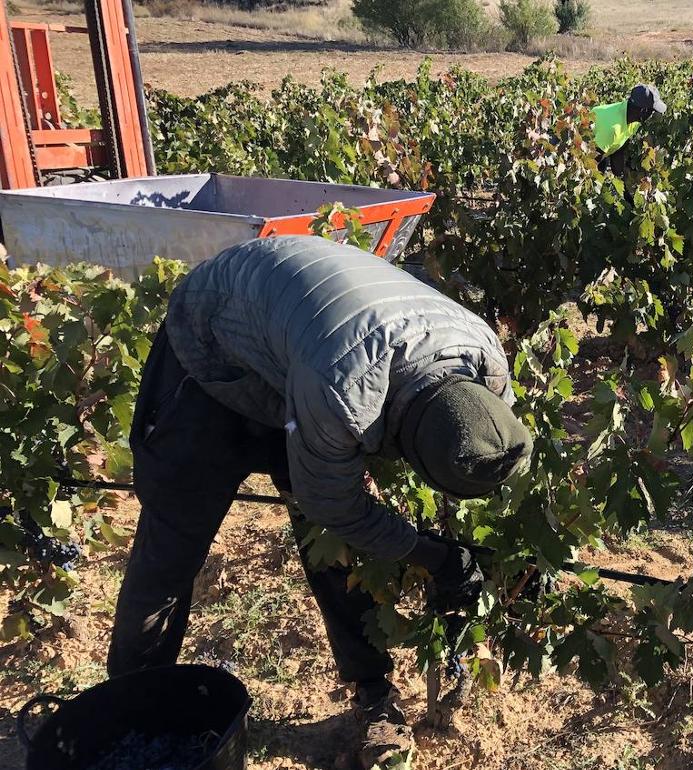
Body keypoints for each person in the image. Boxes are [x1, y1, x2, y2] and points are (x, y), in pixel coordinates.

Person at [107, 236, 532, 766]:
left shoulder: (486, 363)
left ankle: (374, 695)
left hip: (300, 352)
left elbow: (485, 442)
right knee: (171, 548)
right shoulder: (344, 394)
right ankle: (129, 717)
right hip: (211, 349)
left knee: (334, 552)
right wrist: (432, 555)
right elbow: (336, 504)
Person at [591, 83, 666, 176]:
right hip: (584, 153)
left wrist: (621, 178)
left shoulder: (632, 119)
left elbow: (618, 150)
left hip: (603, 148)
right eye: (652, 111)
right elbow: (591, 162)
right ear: (643, 111)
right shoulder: (613, 128)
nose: (652, 116)